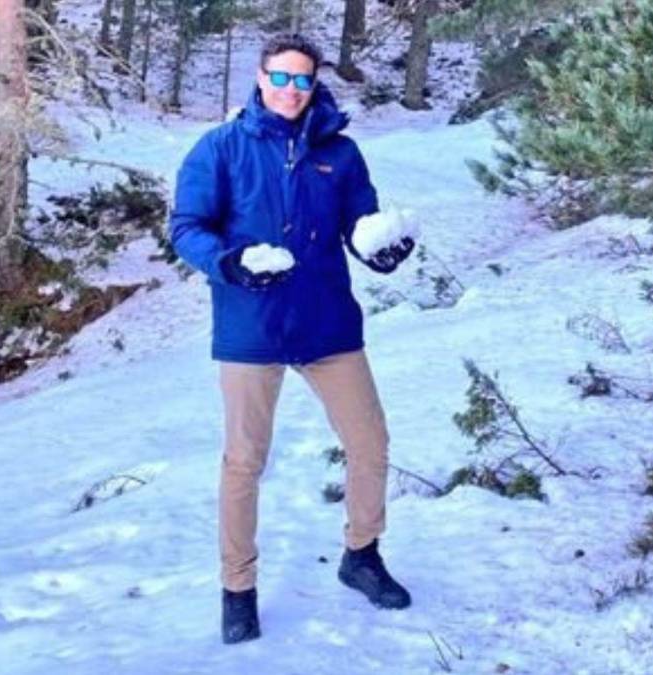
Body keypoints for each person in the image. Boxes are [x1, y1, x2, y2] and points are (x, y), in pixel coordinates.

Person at [169, 33, 415, 645]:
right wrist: (229, 263)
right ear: (260, 77)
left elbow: (361, 224)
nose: (290, 90)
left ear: (314, 84)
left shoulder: (341, 153)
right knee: (243, 461)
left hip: (327, 322)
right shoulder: (221, 147)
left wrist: (379, 249)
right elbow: (187, 227)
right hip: (250, 325)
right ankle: (238, 589)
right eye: (280, 77)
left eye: (302, 79)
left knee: (370, 441)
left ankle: (362, 554)